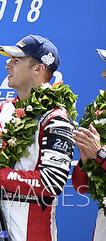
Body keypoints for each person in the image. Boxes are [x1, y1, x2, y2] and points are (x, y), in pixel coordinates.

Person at [0, 34, 75, 241]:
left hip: (34, 235)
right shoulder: (0, 109)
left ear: (38, 69)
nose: (7, 66)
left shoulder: (56, 118)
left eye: (16, 60)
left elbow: (52, 183)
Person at [71, 48, 106, 239]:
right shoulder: (101, 116)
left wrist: (100, 154)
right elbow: (81, 187)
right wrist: (85, 161)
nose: (103, 74)